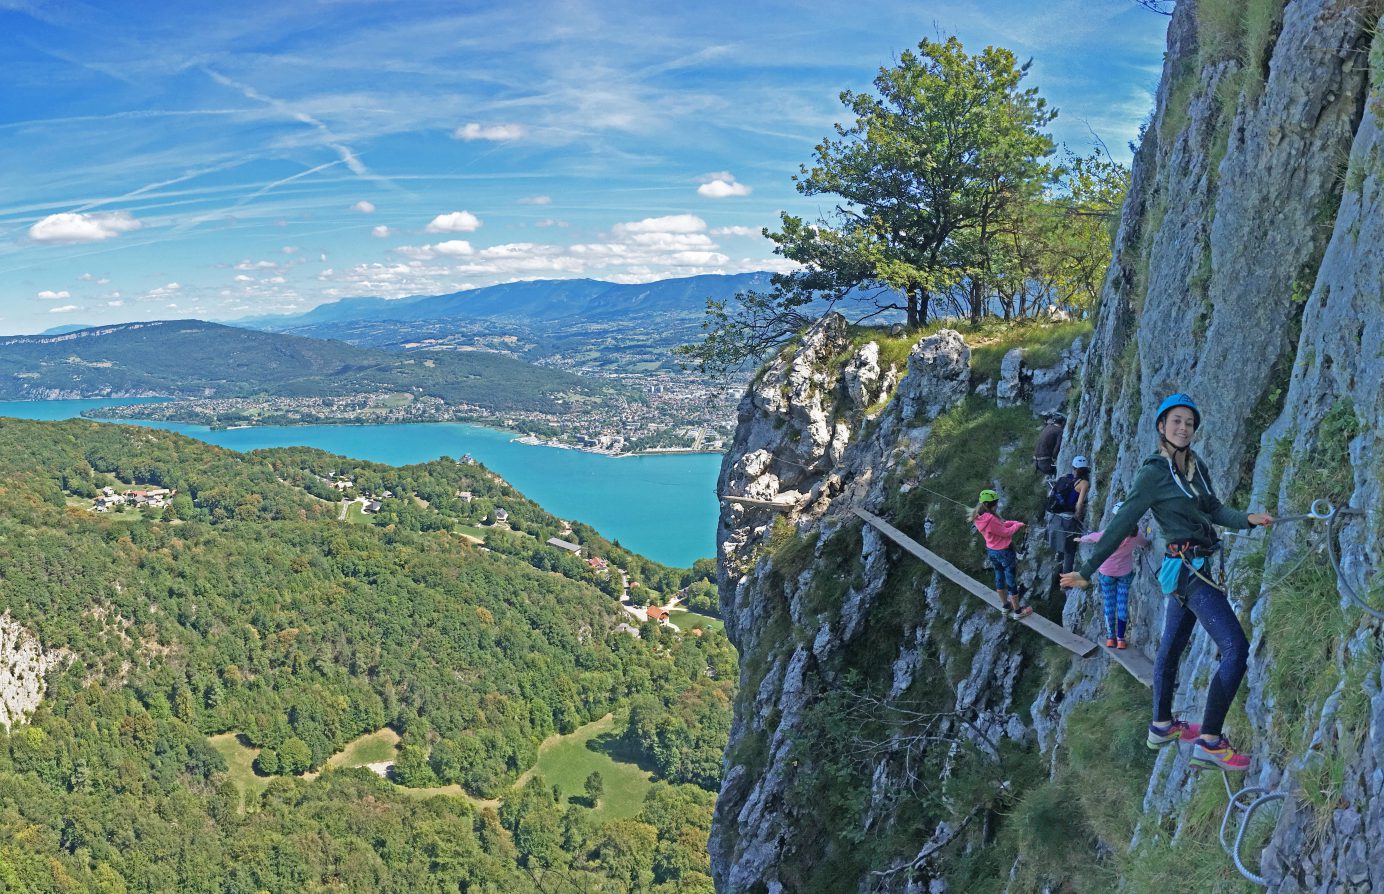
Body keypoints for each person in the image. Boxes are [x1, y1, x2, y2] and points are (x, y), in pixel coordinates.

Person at [1060, 394, 1273, 773]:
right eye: (1176, 421)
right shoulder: (1154, 472)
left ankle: (1161, 725)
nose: (1183, 428)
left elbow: (1213, 509)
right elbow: (1125, 520)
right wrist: (1088, 570)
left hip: (1188, 570)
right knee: (1235, 647)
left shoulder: (1194, 466)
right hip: (1189, 572)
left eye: (1189, 423)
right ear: (1161, 426)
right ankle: (1210, 739)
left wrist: (1248, 519)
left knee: (1171, 649)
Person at [1076, 500, 1151, 649]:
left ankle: (1111, 638)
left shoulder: (1108, 533)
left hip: (1106, 573)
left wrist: (1081, 538)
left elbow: (1093, 537)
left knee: (1109, 604)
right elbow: (1145, 543)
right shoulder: (1135, 534)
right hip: (1125, 573)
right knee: (1122, 604)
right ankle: (1121, 639)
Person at [972, 489, 1032, 619]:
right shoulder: (991, 518)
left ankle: (1005, 606)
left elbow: (1001, 526)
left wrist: (1013, 523)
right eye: (996, 503)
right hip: (1004, 551)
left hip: (992, 551)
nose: (997, 505)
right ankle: (1017, 611)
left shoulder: (979, 517)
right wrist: (1018, 526)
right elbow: (1005, 533)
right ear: (990, 504)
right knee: (1010, 579)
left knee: (999, 576)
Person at [1047, 455, 1092, 574]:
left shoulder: (1064, 477)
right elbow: (1079, 503)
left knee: (1063, 544)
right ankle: (1066, 582)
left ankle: (1059, 555)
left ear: (1074, 468)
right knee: (1070, 551)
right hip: (1068, 520)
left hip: (1055, 517)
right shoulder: (1084, 484)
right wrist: (1078, 515)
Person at [1034, 413, 1065, 477]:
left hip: (1037, 461)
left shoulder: (1048, 427)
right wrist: (1054, 457)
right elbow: (1058, 446)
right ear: (1062, 423)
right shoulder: (1059, 431)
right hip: (1046, 462)